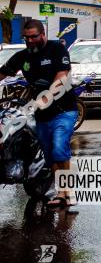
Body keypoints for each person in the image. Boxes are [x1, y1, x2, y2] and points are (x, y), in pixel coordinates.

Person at [0, 19, 78, 208]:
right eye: (27, 37)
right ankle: (60, 189)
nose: (30, 41)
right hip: (41, 115)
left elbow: (62, 77)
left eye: (34, 36)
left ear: (43, 34)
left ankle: (65, 193)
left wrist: (47, 96)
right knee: (50, 154)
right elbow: (2, 73)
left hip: (64, 110)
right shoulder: (22, 57)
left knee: (59, 148)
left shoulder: (56, 49)